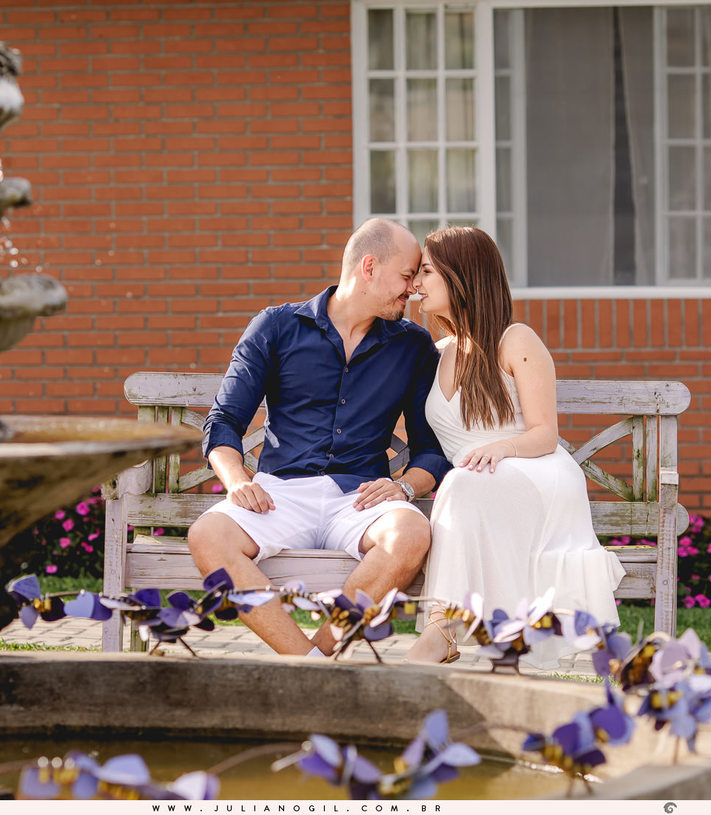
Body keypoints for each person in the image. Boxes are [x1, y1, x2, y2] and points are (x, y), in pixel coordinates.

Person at [188, 218, 452, 657]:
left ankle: (317, 659)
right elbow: (224, 419)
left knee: (410, 532)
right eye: (407, 276)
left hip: (360, 498)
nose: (413, 289)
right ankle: (311, 666)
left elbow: (431, 449)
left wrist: (405, 485)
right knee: (207, 536)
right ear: (369, 266)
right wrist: (237, 481)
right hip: (279, 495)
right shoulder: (275, 327)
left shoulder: (412, 345)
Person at [402, 225, 625, 667]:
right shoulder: (438, 351)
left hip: (534, 471)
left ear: (460, 275)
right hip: (476, 486)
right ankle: (479, 641)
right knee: (464, 485)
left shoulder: (514, 339)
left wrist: (504, 448)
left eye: (426, 272)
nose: (415, 285)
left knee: (462, 484)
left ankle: (440, 630)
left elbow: (545, 432)